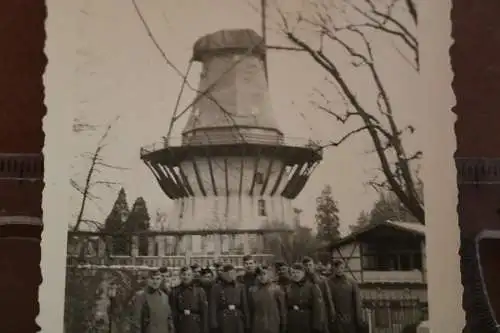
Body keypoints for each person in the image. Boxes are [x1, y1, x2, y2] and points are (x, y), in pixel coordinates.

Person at [209, 264, 250, 333]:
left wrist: (247, 323)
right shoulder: (216, 287)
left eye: (233, 273)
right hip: (223, 319)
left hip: (237, 319)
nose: (231, 275)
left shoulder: (240, 286)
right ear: (224, 274)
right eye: (229, 273)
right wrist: (214, 324)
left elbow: (245, 306)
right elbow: (213, 306)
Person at [132, 269, 175, 333]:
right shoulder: (140, 296)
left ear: (161, 280)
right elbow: (136, 321)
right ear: (148, 280)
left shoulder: (164, 297)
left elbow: (169, 319)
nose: (155, 282)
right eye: (152, 279)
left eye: (158, 279)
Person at [284, 263, 323, 333]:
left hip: (307, 321)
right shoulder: (288, 287)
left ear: (303, 273)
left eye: (298, 272)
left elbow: (318, 308)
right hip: (292, 322)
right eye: (293, 272)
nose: (295, 275)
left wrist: (317, 326)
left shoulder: (312, 287)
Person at [327, 259, 364, 333]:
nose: (339, 270)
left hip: (349, 317)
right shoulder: (328, 282)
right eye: (337, 268)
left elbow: (357, 301)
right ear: (333, 268)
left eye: (341, 268)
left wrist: (358, 317)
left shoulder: (351, 282)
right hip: (334, 318)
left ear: (344, 268)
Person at [170, 266, 209, 333]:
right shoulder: (175, 291)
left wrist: (205, 329)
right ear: (180, 276)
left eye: (188, 275)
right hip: (181, 324)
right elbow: (173, 311)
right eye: (184, 274)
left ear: (192, 276)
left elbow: (204, 312)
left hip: (195, 325)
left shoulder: (199, 291)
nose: (186, 277)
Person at [248, 266, 286, 333]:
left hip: (273, 325)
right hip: (258, 325)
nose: (262, 277)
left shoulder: (277, 289)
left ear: (269, 274)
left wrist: (283, 325)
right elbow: (250, 310)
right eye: (259, 275)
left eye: (264, 274)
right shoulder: (252, 290)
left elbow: (282, 309)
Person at [303, 257, 335, 333]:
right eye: (306, 265)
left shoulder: (322, 280)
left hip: (321, 312)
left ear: (313, 265)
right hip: (307, 313)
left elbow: (328, 297)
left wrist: (332, 311)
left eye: (310, 265)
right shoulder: (302, 281)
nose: (308, 267)